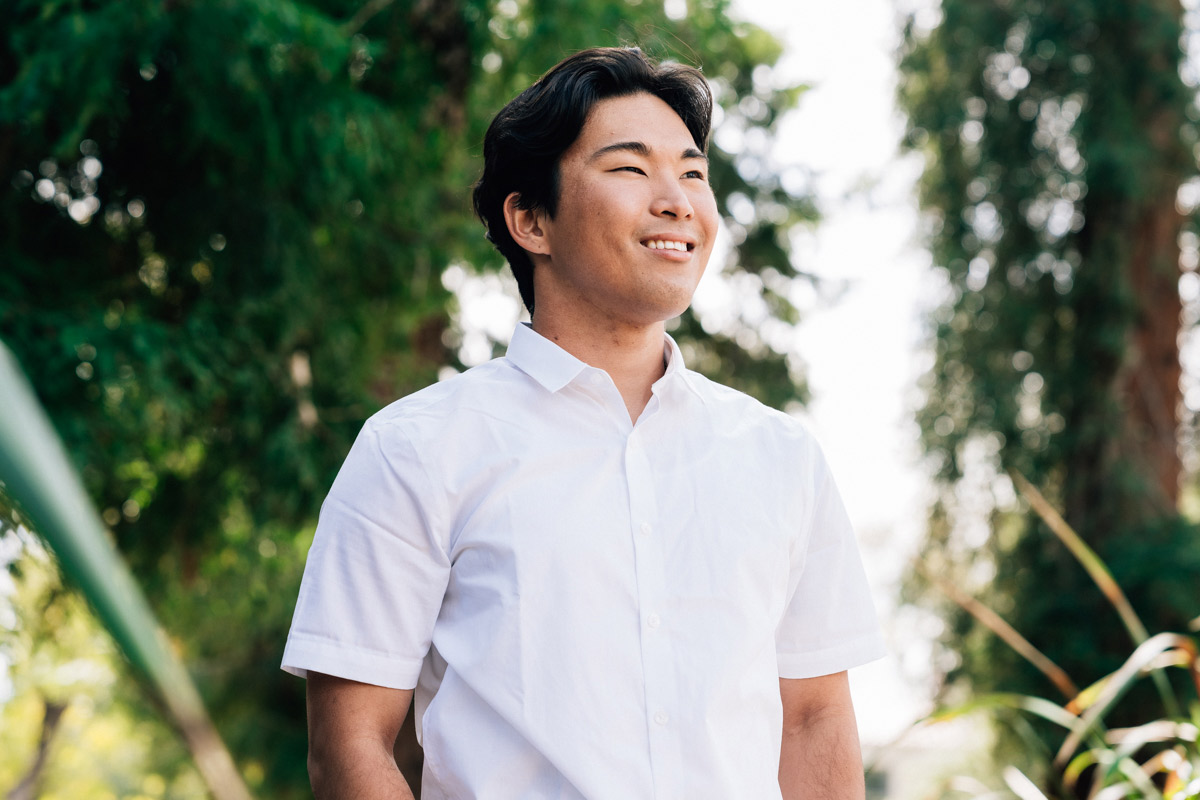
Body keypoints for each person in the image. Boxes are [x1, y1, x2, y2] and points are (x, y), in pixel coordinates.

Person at [282, 46, 885, 799]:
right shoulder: (416, 449)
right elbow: (350, 748)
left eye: (693, 173)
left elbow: (814, 720)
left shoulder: (781, 457)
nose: (677, 200)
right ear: (530, 220)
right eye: (631, 169)